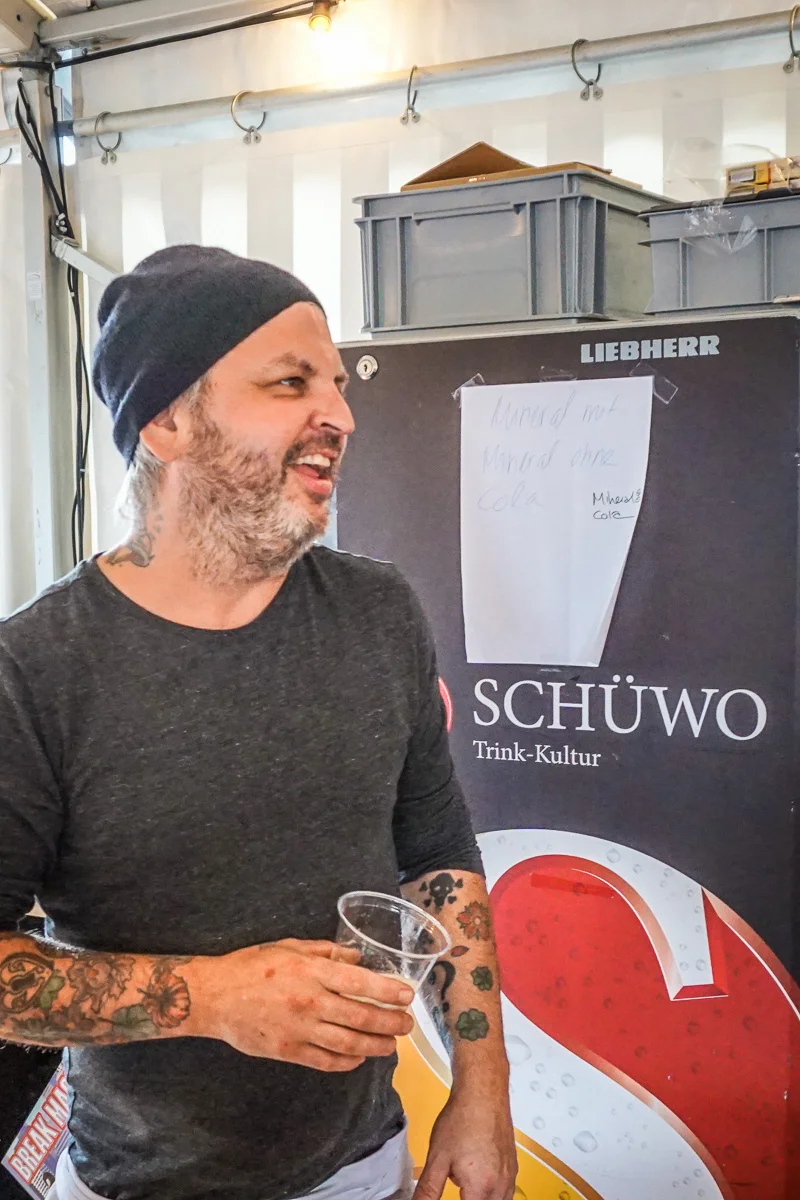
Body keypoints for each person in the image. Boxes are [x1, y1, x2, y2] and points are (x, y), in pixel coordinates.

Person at [0, 247, 517, 1200]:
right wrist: (213, 999)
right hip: (139, 1184)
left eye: (337, 386)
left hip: (367, 1167)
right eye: (290, 383)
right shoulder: (35, 670)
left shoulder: (378, 612)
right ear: (167, 421)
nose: (341, 416)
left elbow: (437, 857)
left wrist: (483, 1091)